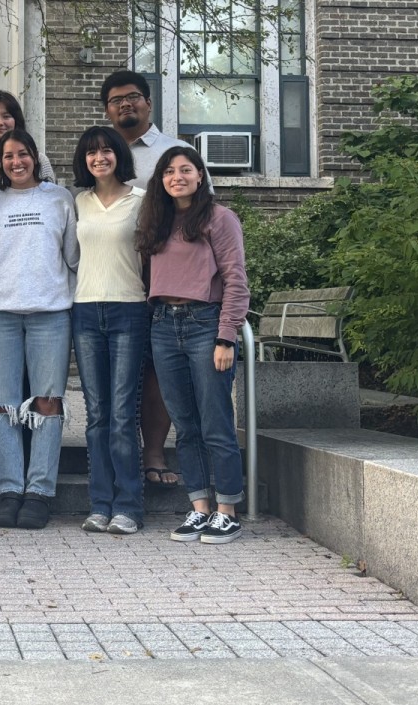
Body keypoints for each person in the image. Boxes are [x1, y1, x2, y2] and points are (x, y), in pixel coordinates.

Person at [135, 146, 249, 545]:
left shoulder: (219, 218)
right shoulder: (157, 220)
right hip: (163, 326)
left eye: (186, 170)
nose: (177, 177)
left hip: (205, 325)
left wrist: (226, 336)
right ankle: (199, 507)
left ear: (201, 176)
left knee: (215, 422)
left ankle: (227, 511)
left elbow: (236, 279)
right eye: (169, 171)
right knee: (184, 424)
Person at [100, 68, 203, 487]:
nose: (125, 104)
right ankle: (116, 454)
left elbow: (200, 213)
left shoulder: (175, 152)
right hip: (111, 275)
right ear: (107, 110)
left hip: (162, 275)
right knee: (117, 372)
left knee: (157, 367)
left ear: (148, 102)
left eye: (132, 97)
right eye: (116, 100)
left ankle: (155, 452)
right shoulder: (100, 151)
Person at [0, 129, 78, 530]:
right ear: (0, 162)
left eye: (22, 154)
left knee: (47, 403)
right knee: (3, 405)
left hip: (50, 313)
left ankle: (39, 491)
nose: (16, 162)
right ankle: (9, 489)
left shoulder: (59, 199)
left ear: (35, 157)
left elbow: (73, 256)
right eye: (8, 156)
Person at [71, 126, 148, 535]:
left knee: (121, 414)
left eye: (106, 151)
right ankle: (100, 504)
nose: (99, 158)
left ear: (119, 154)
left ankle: (129, 507)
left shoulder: (142, 200)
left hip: (128, 309)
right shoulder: (78, 201)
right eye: (91, 153)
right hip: (85, 310)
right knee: (97, 414)